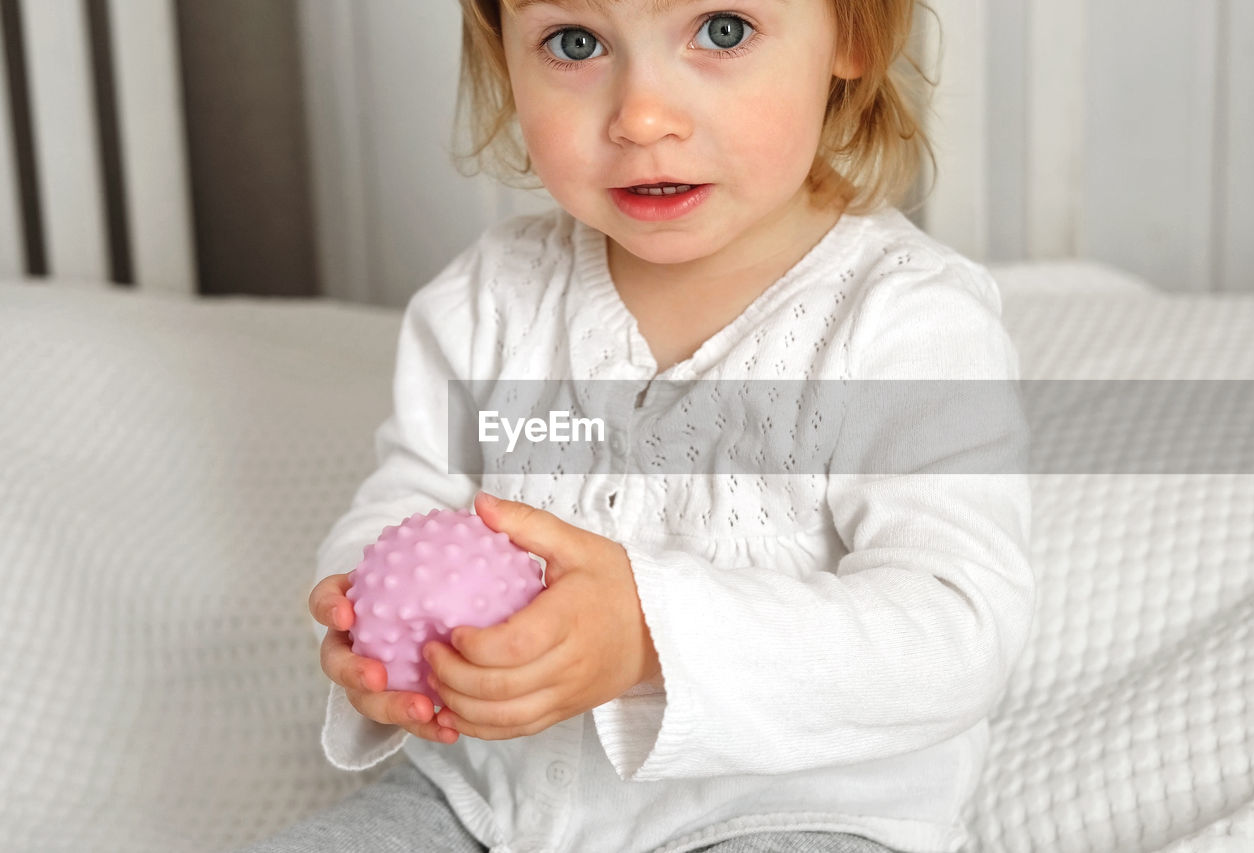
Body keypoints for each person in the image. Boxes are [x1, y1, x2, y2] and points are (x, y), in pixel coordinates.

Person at [237, 0, 1033, 850]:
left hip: (788, 812)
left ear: (852, 37)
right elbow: (412, 491)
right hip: (483, 797)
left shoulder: (904, 322)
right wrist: (367, 609)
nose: (642, 116)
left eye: (722, 30)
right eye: (574, 44)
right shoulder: (492, 299)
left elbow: (956, 629)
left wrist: (650, 636)